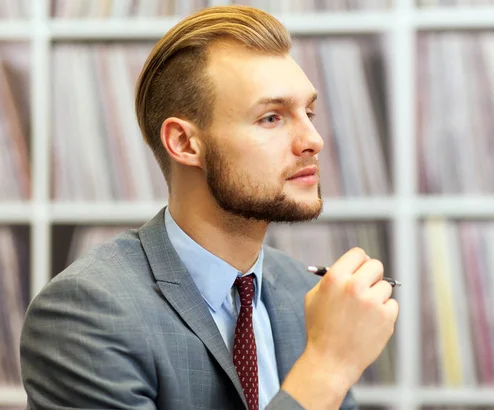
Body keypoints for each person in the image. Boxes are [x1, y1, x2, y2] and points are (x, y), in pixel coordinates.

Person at [20, 5, 399, 410]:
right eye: (272, 118)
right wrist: (328, 365)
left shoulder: (303, 290)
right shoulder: (85, 314)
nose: (313, 139)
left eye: (309, 112)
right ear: (184, 143)